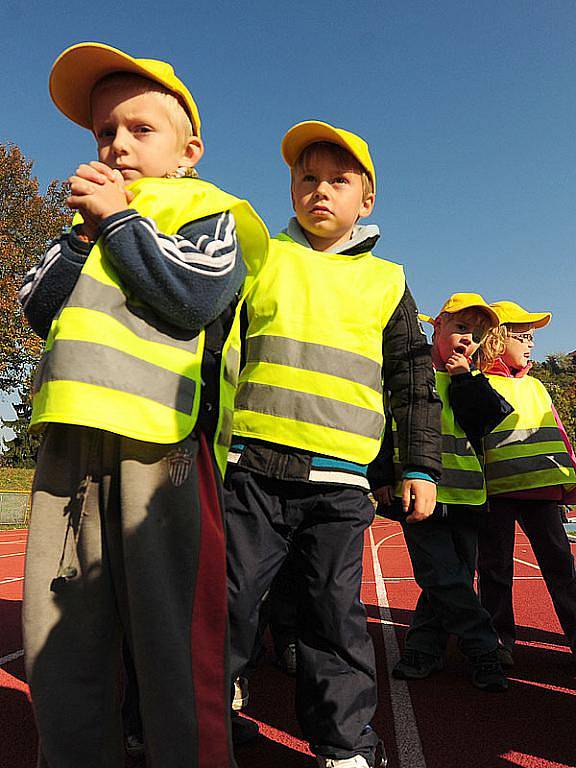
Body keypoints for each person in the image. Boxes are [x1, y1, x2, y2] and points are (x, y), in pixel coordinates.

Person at [19, 42, 267, 768]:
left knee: (172, 644)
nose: (117, 144)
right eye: (104, 132)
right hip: (70, 456)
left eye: (139, 129)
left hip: (161, 457)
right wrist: (88, 234)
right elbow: (38, 308)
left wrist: (122, 224)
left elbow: (192, 297)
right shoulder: (83, 227)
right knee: (59, 640)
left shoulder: (211, 211)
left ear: (188, 151)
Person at [225, 120, 442, 768]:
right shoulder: (258, 257)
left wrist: (419, 465)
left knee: (332, 612)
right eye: (306, 176)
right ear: (291, 186)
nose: (320, 189)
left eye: (338, 180)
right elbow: (218, 353)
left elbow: (410, 378)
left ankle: (345, 747)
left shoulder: (386, 281)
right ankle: (210, 716)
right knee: (229, 601)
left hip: (340, 484)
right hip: (250, 470)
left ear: (365, 199)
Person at [373, 293, 512, 692]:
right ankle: (484, 648)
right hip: (419, 495)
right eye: (461, 329)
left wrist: (463, 378)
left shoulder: (469, 379)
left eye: (477, 334)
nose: (469, 339)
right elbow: (384, 423)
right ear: (437, 327)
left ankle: (423, 648)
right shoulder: (409, 377)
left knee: (447, 579)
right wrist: (381, 475)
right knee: (443, 576)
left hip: (467, 498)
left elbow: (486, 420)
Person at [478, 300, 576, 667]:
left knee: (561, 569)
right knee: (495, 570)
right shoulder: (478, 385)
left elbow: (559, 435)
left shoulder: (536, 386)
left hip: (544, 494)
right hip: (497, 493)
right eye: (523, 336)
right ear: (497, 338)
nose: (531, 343)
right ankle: (498, 642)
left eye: (532, 337)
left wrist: (569, 483)